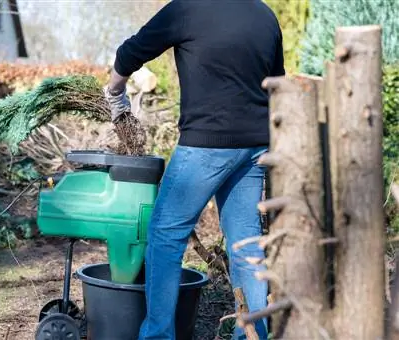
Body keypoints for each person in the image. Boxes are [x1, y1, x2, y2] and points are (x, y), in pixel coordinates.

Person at [104, 1, 285, 339]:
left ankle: (157, 335)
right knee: (246, 244)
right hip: (255, 146)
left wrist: (114, 90)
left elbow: (133, 50)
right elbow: (277, 84)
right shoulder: (264, 15)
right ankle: (253, 335)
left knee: (164, 236)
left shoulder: (188, 9)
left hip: (206, 144)